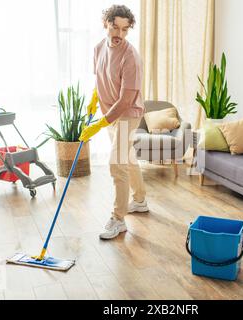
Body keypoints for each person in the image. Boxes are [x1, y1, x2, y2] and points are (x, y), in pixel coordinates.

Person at [80, 5, 148, 240]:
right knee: (126, 158)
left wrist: (99, 124)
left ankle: (118, 220)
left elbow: (126, 99)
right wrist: (94, 99)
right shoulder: (99, 48)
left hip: (128, 113)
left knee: (116, 163)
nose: (119, 34)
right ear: (105, 24)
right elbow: (100, 78)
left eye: (125, 29)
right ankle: (139, 200)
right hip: (110, 113)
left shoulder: (131, 57)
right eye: (114, 27)